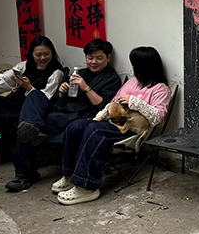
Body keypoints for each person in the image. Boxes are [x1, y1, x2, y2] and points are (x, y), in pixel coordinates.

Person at [51, 46, 171, 205]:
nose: (132, 67)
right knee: (76, 126)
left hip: (131, 129)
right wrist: (96, 119)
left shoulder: (161, 89)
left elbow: (158, 119)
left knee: (95, 131)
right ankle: (69, 175)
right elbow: (112, 103)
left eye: (134, 64)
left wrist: (135, 102)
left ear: (144, 66)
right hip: (112, 121)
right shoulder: (132, 82)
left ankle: (86, 187)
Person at [6, 39, 122, 192]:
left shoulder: (112, 79)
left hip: (80, 116)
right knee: (34, 98)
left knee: (30, 125)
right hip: (60, 111)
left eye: (99, 58)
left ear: (108, 57)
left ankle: (24, 174)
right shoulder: (80, 72)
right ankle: (31, 128)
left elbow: (102, 106)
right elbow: (59, 100)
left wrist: (85, 87)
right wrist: (62, 91)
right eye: (90, 58)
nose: (94, 62)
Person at [0, 36, 65, 159]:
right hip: (14, 102)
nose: (43, 58)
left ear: (52, 53)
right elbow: (4, 78)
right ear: (32, 54)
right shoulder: (25, 65)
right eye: (38, 55)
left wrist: (29, 87)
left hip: (30, 109)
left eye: (47, 54)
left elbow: (45, 97)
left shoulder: (56, 72)